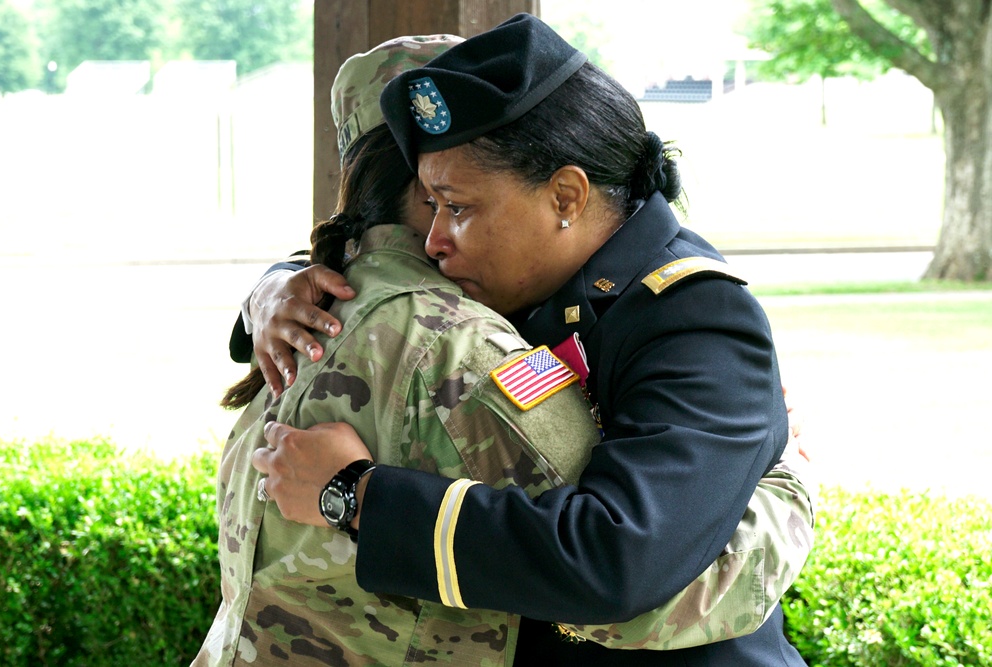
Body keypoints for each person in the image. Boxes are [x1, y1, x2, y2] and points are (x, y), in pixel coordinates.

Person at [238, 16, 813, 665]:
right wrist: (271, 289)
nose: (434, 240)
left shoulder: (695, 320)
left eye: (458, 207)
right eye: (430, 206)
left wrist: (354, 492)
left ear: (566, 195)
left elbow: (614, 561)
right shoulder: (534, 280)